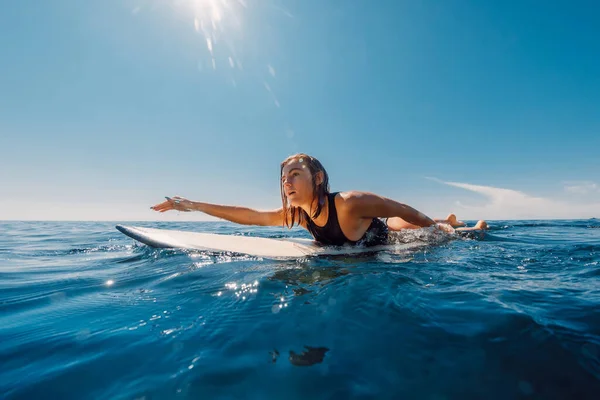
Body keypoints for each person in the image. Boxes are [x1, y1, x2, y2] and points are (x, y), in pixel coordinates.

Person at [150, 153, 488, 247]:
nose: (287, 182)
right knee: (406, 227)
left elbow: (399, 208)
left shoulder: (349, 203)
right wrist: (193, 205)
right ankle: (451, 221)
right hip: (369, 240)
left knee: (425, 232)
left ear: (318, 178)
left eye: (295, 174)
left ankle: (463, 226)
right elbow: (251, 216)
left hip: (389, 234)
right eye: (284, 178)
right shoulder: (299, 214)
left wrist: (435, 226)